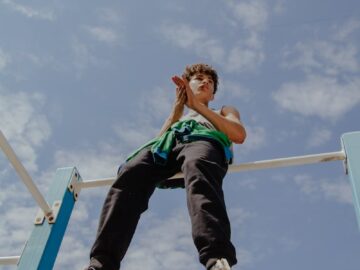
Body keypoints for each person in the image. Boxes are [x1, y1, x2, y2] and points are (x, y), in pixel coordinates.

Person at [85, 63, 246, 270]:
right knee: (130, 173)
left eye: (210, 81)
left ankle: (216, 257)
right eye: (198, 78)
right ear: (187, 85)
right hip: (169, 144)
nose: (205, 81)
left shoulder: (223, 109)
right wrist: (176, 110)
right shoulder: (179, 117)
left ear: (213, 94)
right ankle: (101, 263)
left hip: (201, 140)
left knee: (198, 168)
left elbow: (238, 135)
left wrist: (198, 107)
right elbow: (158, 143)